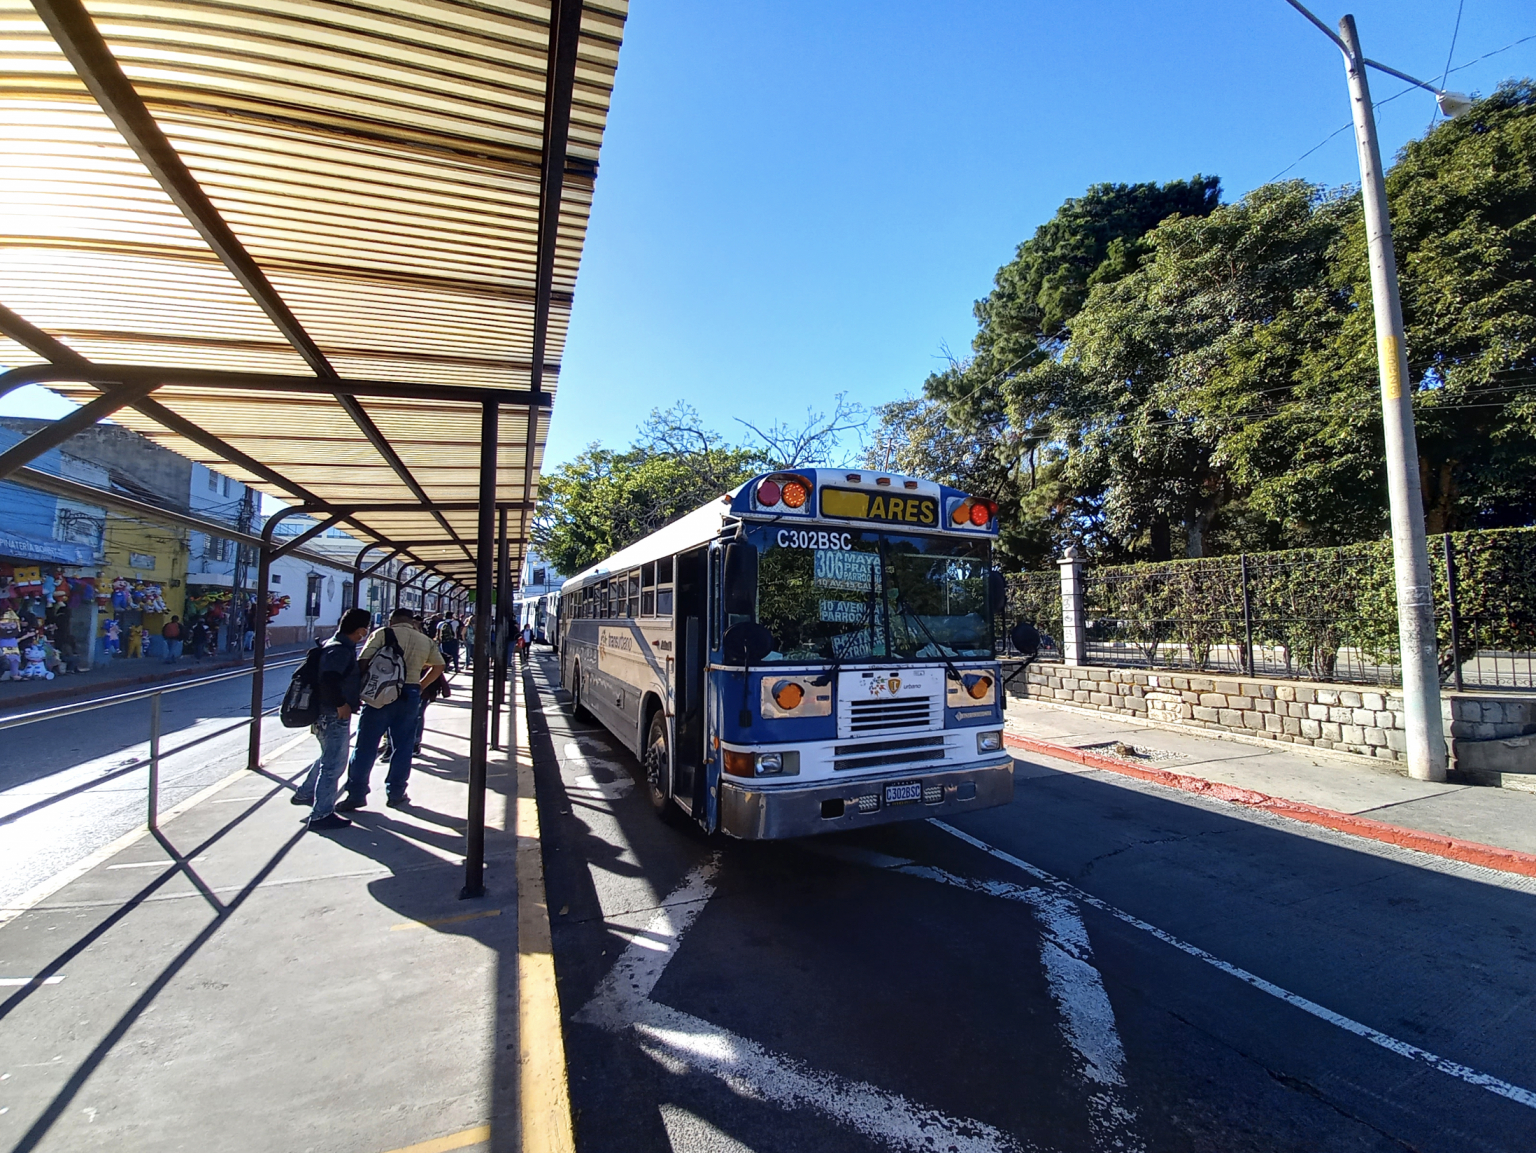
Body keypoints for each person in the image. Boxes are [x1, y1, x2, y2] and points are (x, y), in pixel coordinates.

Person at [337, 607, 445, 811]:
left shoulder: (383, 634)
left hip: (379, 693)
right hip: (410, 694)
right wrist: (420, 685)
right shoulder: (424, 639)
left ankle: (357, 793)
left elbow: (363, 661)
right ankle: (396, 793)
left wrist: (362, 687)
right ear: (412, 622)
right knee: (403, 746)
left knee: (366, 745)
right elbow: (439, 667)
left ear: (392, 620)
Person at [291, 608, 371, 831]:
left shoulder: (333, 645)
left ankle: (305, 793)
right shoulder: (340, 651)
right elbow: (329, 679)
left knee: (328, 757)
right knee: (334, 764)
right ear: (361, 631)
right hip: (333, 713)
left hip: (325, 712)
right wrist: (341, 703)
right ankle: (321, 814)